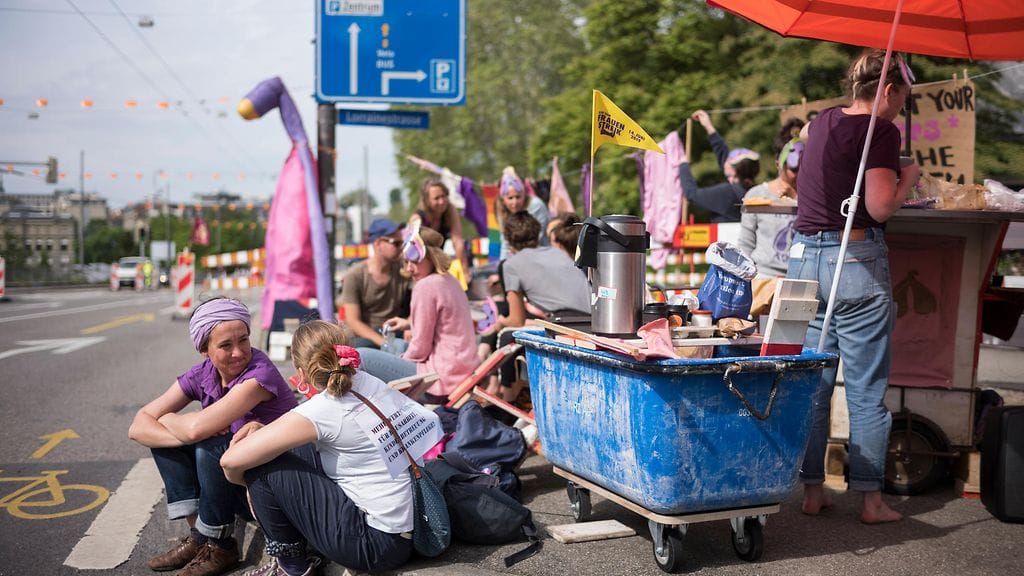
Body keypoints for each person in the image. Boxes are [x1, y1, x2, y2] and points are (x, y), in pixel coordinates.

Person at [788, 49, 920, 524]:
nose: (899, 110)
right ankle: (870, 500)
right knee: (865, 390)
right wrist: (908, 177)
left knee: (814, 384)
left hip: (803, 262)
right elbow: (881, 207)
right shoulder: (882, 131)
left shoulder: (821, 121)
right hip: (856, 261)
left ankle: (810, 490)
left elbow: (808, 137)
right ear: (886, 91)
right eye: (901, 100)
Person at [221, 320, 439, 575]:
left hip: (377, 547)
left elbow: (230, 461)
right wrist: (264, 431)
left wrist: (249, 483)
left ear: (300, 373)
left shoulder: (322, 409)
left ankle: (292, 567)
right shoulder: (369, 382)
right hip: (413, 528)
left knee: (261, 467)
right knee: (289, 450)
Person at [128, 297, 297, 576]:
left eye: (243, 340)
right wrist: (180, 429)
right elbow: (138, 427)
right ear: (204, 349)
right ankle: (199, 538)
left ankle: (219, 545)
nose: (239, 352)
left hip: (274, 486)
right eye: (225, 345)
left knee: (211, 445)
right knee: (163, 442)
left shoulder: (258, 374)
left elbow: (196, 430)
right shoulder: (201, 374)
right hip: (238, 478)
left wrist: (175, 422)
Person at [356, 224, 479, 403]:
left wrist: (399, 359)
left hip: (440, 379)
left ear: (431, 257)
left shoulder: (425, 286)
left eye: (415, 260)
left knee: (360, 357)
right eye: (406, 261)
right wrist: (408, 324)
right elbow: (446, 325)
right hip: (461, 369)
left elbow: (420, 349)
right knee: (395, 345)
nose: (410, 268)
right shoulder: (449, 279)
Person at [482, 211, 591, 401]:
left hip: (563, 324)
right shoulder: (558, 253)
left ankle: (509, 400)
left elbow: (516, 320)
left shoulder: (511, 264)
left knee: (505, 336)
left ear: (507, 240)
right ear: (538, 233)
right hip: (590, 320)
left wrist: (499, 322)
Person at [738, 118, 806, 278]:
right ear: (778, 164)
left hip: (801, 276)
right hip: (764, 276)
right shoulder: (756, 195)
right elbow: (746, 243)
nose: (800, 172)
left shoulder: (814, 195)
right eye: (794, 168)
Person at [338, 218, 413, 352]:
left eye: (402, 243)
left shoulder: (405, 269)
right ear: (378, 243)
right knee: (358, 352)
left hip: (395, 331)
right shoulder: (355, 275)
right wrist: (385, 343)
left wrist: (410, 324)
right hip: (366, 337)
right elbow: (353, 321)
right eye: (396, 243)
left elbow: (421, 301)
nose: (401, 247)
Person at [679, 109, 761, 222]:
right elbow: (724, 157)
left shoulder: (727, 194)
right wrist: (709, 128)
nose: (725, 162)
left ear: (735, 172)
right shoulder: (752, 190)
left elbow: (691, 194)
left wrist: (683, 166)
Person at [409, 179, 470, 273]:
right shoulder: (417, 219)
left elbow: (458, 243)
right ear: (426, 200)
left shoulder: (450, 211)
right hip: (420, 265)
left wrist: (464, 271)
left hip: (437, 263)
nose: (441, 201)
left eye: (443, 196)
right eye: (436, 198)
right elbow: (411, 250)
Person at [494, 166, 549, 258]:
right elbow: (505, 242)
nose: (514, 203)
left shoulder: (536, 205)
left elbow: (537, 237)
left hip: (541, 252)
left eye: (518, 197)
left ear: (524, 195)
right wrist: (502, 266)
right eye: (510, 198)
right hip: (517, 256)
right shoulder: (502, 210)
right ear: (503, 199)